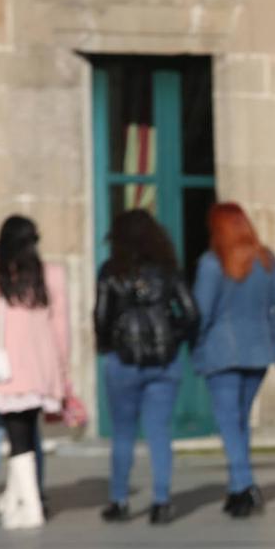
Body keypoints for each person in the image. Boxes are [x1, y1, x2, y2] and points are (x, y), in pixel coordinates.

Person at [94, 209, 200, 524]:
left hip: (123, 360)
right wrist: (174, 337)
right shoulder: (167, 271)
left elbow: (101, 316)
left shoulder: (111, 272)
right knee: (159, 432)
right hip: (164, 361)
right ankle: (161, 500)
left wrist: (108, 344)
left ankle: (119, 500)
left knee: (123, 434)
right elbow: (191, 312)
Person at [193, 203, 275, 519]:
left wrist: (197, 347)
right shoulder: (266, 260)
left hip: (222, 352)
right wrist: (269, 332)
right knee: (239, 420)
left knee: (229, 422)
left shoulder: (212, 264)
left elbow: (202, 314)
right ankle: (238, 489)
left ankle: (244, 486)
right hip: (258, 351)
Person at [0, 216, 69, 530]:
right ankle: (15, 503)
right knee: (27, 435)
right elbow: (61, 329)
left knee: (18, 439)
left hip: (7, 373)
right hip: (41, 371)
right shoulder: (50, 275)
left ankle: (30, 508)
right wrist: (62, 373)